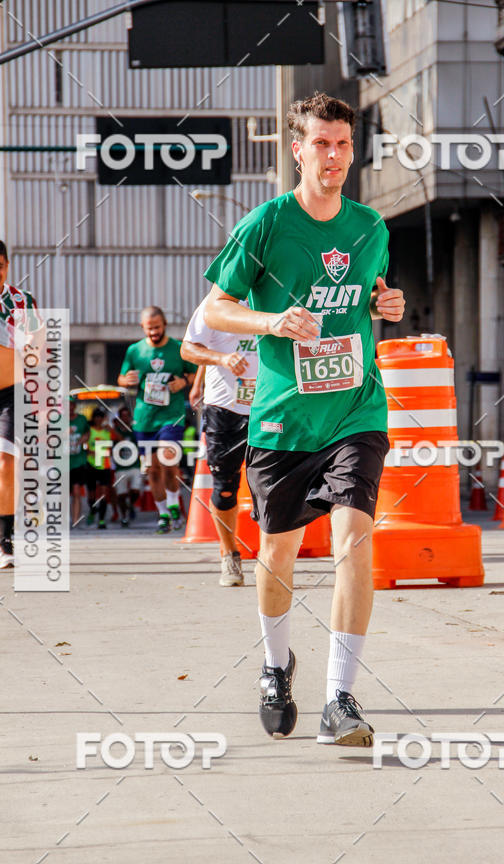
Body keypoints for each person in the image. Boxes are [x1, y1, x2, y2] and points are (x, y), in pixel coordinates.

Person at [202, 92, 405, 746]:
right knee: (278, 553)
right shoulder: (264, 226)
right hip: (283, 422)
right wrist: (272, 321)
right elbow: (215, 310)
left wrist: (387, 303)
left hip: (355, 409)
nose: (335, 156)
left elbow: (370, 293)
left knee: (354, 544)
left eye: (344, 144)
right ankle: (274, 665)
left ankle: (340, 698)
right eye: (322, 143)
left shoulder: (371, 227)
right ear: (298, 149)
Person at [181, 299, 258, 586]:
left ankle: (273, 557)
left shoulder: (272, 295)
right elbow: (190, 348)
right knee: (225, 489)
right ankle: (230, 556)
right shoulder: (214, 304)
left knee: (271, 484)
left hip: (267, 406)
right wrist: (221, 360)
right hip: (224, 408)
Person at [118, 306, 196, 533]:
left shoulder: (178, 348)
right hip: (144, 418)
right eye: (149, 329)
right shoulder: (135, 351)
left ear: (165, 325)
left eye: (158, 328)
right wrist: (126, 380)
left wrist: (183, 382)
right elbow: (121, 378)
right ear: (143, 327)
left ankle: (174, 506)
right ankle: (163, 515)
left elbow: (194, 372)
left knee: (169, 459)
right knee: (152, 469)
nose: (154, 332)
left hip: (171, 415)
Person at [0, 241, 42, 569]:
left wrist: (31, 346)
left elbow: (38, 351)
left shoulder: (22, 301)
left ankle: (5, 541)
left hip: (11, 391)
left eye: (0, 265)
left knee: (6, 463)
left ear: (8, 265)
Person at [111, 405, 141, 527]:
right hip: (120, 466)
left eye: (126, 416)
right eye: (122, 416)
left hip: (135, 465)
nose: (125, 418)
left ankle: (131, 504)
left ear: (129, 417)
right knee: (121, 494)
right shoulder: (114, 431)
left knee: (135, 491)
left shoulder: (135, 430)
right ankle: (124, 517)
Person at [86, 407, 112, 529]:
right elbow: (83, 444)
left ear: (103, 419)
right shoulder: (89, 431)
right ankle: (92, 510)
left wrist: (112, 430)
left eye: (100, 417)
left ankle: (101, 520)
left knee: (103, 494)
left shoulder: (107, 431)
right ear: (94, 418)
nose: (98, 419)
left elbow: (121, 440)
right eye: (96, 417)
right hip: (91, 466)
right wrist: (88, 451)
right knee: (91, 495)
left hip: (104, 466)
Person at [69, 398, 90, 527]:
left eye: (71, 405)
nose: (70, 407)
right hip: (63, 462)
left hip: (78, 460)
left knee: (77, 490)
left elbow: (88, 432)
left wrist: (83, 439)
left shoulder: (82, 419)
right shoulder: (57, 419)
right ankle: (64, 518)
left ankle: (76, 520)